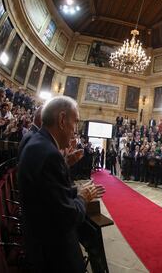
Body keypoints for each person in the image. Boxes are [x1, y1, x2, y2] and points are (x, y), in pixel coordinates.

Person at [18, 96, 105, 272]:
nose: (76, 129)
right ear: (62, 120)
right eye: (76, 122)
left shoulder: (40, 144)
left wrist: (75, 190)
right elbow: (68, 217)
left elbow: (50, 191)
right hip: (53, 252)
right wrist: (82, 196)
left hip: (39, 236)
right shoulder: (49, 153)